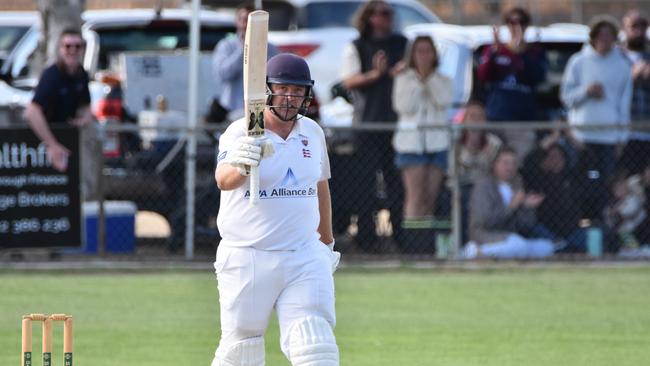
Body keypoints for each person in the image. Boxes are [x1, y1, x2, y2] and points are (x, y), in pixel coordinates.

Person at [211, 53, 340, 366]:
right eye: (283, 89)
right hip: (249, 255)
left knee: (316, 344)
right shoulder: (241, 131)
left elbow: (320, 186)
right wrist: (242, 163)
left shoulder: (312, 132)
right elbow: (223, 180)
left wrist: (326, 242)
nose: (290, 98)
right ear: (266, 90)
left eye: (297, 91)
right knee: (242, 349)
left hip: (303, 254)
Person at [336, 0, 407, 250]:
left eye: (390, 13)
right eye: (382, 13)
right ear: (369, 17)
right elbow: (348, 81)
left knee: (396, 186)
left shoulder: (401, 43)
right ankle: (366, 239)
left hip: (397, 127)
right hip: (367, 126)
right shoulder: (357, 46)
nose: (387, 18)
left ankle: (402, 239)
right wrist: (375, 75)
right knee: (365, 186)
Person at [23, 27, 99, 201]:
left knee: (70, 191)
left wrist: (84, 118)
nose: (72, 51)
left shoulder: (81, 75)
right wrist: (52, 144)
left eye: (77, 46)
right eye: (68, 46)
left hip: (68, 140)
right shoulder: (52, 76)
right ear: (60, 48)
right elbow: (32, 112)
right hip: (45, 139)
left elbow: (85, 105)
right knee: (45, 190)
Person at [561, 16, 632, 183]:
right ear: (593, 37)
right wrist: (586, 91)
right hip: (581, 137)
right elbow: (566, 97)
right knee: (579, 183)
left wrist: (622, 138)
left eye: (608, 35)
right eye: (600, 35)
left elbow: (624, 105)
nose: (604, 39)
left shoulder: (622, 65)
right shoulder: (577, 62)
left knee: (603, 184)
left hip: (609, 138)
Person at [392, 35, 453, 225]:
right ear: (412, 55)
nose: (424, 56)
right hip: (411, 144)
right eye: (420, 51)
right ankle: (413, 243)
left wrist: (430, 78)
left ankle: (426, 241)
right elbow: (404, 106)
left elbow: (443, 100)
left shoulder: (444, 79)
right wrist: (419, 80)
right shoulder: (403, 78)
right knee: (415, 196)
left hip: (437, 143)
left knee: (430, 198)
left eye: (428, 51)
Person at [476, 7, 548, 160]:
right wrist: (495, 52)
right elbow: (483, 76)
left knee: (516, 164)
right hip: (496, 119)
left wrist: (520, 53)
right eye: (512, 22)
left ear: (527, 25)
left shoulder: (535, 51)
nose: (517, 27)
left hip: (522, 122)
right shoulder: (496, 49)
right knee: (491, 162)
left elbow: (538, 76)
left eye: (521, 22)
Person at [465, 146, 555, 259]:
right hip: (486, 236)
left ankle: (488, 254)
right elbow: (486, 220)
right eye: (505, 163)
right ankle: (475, 251)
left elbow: (525, 225)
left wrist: (527, 207)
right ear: (494, 164)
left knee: (547, 247)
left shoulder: (516, 185)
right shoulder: (484, 186)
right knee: (519, 246)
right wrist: (512, 206)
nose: (510, 167)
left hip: (510, 237)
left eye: (513, 163)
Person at [211, 1, 278, 122]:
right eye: (242, 19)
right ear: (236, 22)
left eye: (249, 20)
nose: (245, 24)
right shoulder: (226, 46)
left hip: (261, 110)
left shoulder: (270, 48)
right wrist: (245, 49)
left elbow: (275, 78)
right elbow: (222, 74)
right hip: (231, 111)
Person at [618, 10, 650, 176]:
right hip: (625, 133)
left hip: (647, 130)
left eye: (643, 27)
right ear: (624, 30)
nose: (638, 32)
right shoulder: (615, 56)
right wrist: (632, 77)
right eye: (633, 27)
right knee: (625, 179)